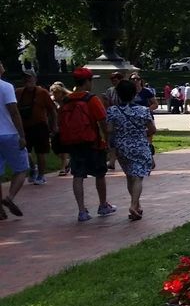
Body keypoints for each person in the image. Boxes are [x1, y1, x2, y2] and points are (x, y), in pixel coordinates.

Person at [58, 68, 114, 222]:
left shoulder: (66, 100)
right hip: (92, 143)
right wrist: (107, 140)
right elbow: (102, 121)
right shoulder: (91, 99)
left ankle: (82, 211)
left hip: (74, 144)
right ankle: (103, 205)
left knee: (78, 175)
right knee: (99, 174)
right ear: (87, 81)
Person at [105, 78, 156, 221]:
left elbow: (109, 130)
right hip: (140, 146)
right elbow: (152, 129)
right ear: (134, 93)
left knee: (130, 175)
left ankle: (137, 205)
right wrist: (139, 134)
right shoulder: (143, 110)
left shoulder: (112, 111)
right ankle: (134, 205)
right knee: (138, 177)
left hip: (122, 147)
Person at [0, 61, 29, 221]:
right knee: (22, 168)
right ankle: (10, 197)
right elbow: (14, 112)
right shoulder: (6, 87)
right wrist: (22, 135)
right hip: (9, 133)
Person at [18, 71, 57, 185]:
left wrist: (53, 125)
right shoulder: (19, 92)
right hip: (24, 127)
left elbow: (52, 110)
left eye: (29, 78)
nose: (27, 80)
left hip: (40, 126)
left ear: (35, 79)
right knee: (24, 151)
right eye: (25, 78)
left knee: (41, 152)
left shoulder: (42, 92)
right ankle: (32, 168)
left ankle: (41, 175)